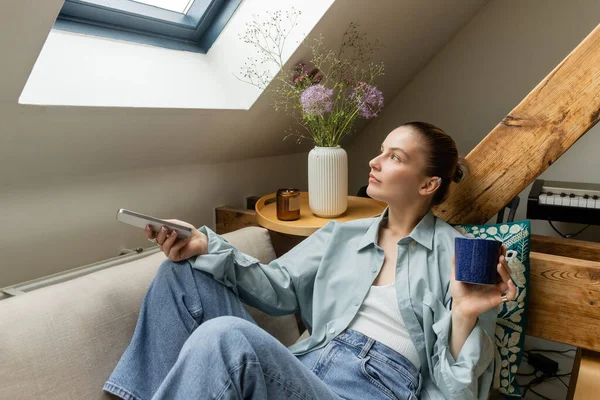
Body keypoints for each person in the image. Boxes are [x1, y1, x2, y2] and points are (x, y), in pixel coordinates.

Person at [103, 122, 516, 400]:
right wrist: (202, 244)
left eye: (395, 157)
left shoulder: (462, 255)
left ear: (429, 184)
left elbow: (457, 390)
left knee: (226, 335)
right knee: (180, 276)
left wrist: (463, 316)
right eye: (380, 151)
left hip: (370, 387)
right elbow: (275, 288)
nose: (374, 162)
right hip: (305, 368)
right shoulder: (343, 235)